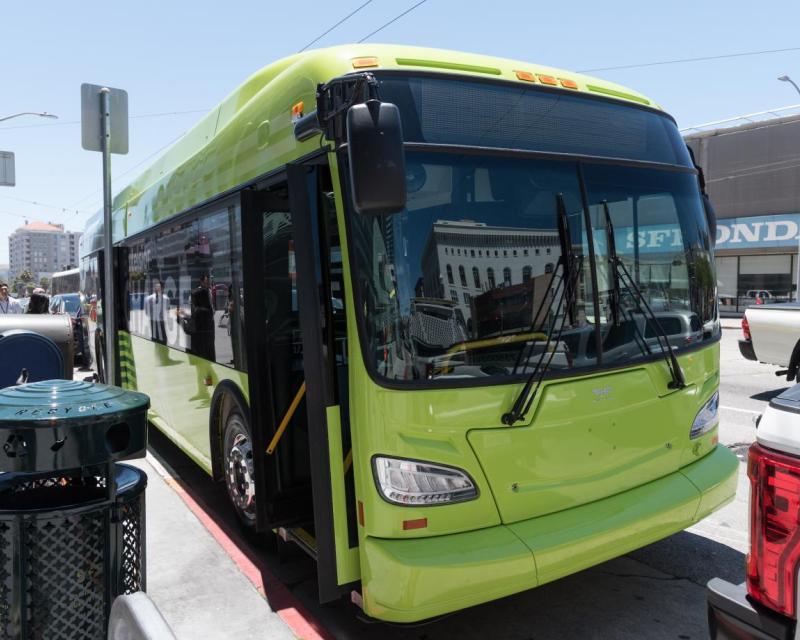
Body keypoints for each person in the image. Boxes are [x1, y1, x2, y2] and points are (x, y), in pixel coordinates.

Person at [182, 274, 215, 361]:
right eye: (206, 282)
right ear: (201, 282)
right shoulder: (195, 293)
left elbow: (211, 306)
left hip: (209, 323)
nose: (207, 283)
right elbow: (192, 308)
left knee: (209, 345)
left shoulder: (209, 291)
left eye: (208, 282)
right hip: (201, 324)